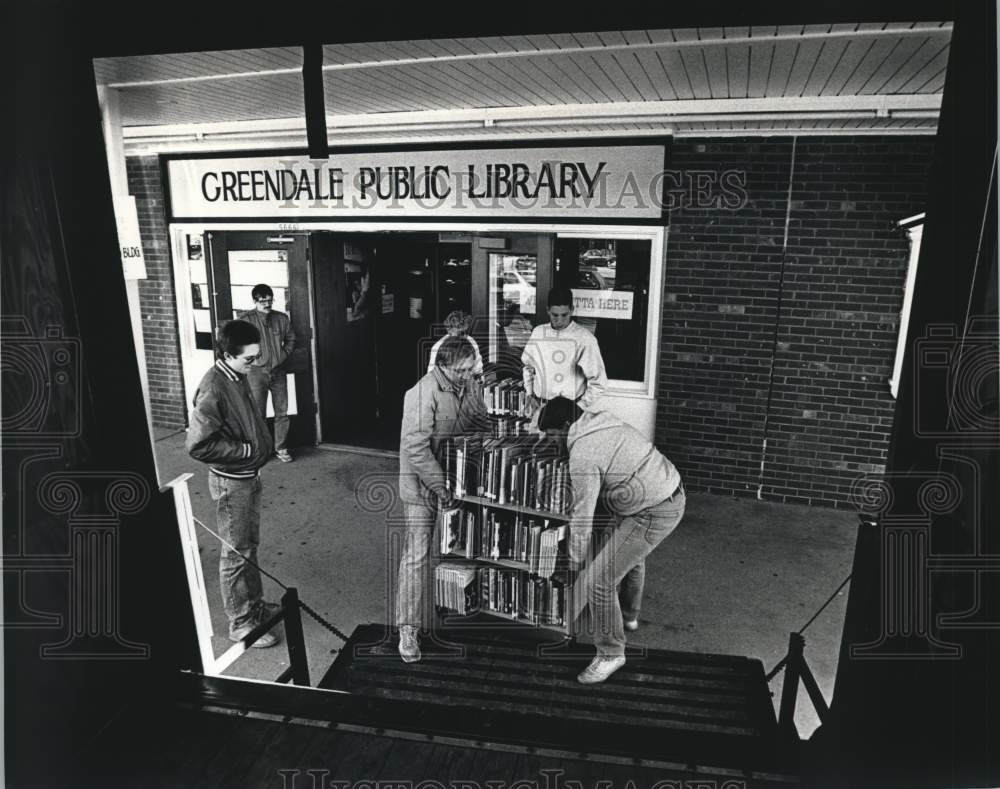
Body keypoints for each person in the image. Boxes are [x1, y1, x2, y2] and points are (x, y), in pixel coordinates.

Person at [539, 396, 685, 684]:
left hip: (653, 510)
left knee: (598, 581)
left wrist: (575, 562)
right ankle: (629, 616)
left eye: (554, 436)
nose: (554, 444)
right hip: (665, 489)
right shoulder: (601, 420)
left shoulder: (583, 453)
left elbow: (583, 516)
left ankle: (610, 653)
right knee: (630, 556)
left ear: (568, 425)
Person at [397, 335, 492, 662]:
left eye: (471, 369)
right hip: (425, 485)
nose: (468, 375)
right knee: (417, 554)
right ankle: (407, 629)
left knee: (458, 546)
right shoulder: (423, 393)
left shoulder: (466, 384)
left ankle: (457, 603)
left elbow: (481, 421)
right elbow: (416, 449)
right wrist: (441, 488)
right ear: (443, 366)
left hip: (456, 479)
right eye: (462, 370)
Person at [187, 320, 280, 648]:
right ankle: (240, 623)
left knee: (248, 545)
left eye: (257, 357)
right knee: (235, 552)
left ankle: (254, 607)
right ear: (227, 354)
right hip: (232, 482)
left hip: (247, 475)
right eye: (248, 359)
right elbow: (197, 444)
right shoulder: (214, 386)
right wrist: (244, 451)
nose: (254, 364)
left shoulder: (236, 374)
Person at [521, 286, 608, 422]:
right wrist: (530, 394)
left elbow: (598, 382)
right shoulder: (538, 333)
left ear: (572, 310)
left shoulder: (584, 338)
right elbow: (528, 367)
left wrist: (578, 408)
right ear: (548, 310)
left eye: (564, 315)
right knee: (539, 443)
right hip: (540, 408)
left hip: (569, 412)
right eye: (555, 315)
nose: (559, 320)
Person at [238, 283, 296, 462]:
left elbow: (291, 339)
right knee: (258, 413)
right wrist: (251, 360)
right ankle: (262, 450)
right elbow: (238, 345)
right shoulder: (245, 320)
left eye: (270, 300)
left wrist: (281, 356)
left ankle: (281, 448)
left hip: (278, 371)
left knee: (282, 412)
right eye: (263, 301)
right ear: (255, 301)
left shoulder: (281, 318)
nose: (267, 304)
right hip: (255, 372)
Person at [426, 310, 484, 376]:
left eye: (465, 333)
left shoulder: (471, 341)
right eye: (459, 333)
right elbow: (431, 374)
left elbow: (478, 369)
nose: (463, 337)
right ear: (449, 331)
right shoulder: (438, 347)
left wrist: (479, 380)